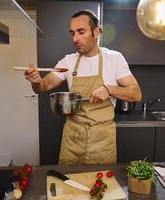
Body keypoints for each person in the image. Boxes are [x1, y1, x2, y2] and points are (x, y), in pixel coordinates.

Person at [25, 10, 142, 165]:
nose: (75, 39)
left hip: (103, 141)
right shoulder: (68, 62)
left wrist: (109, 89)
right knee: (68, 185)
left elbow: (136, 93)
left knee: (101, 186)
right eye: (72, 33)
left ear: (96, 32)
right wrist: (35, 80)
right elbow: (42, 87)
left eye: (81, 32)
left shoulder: (114, 59)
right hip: (73, 140)